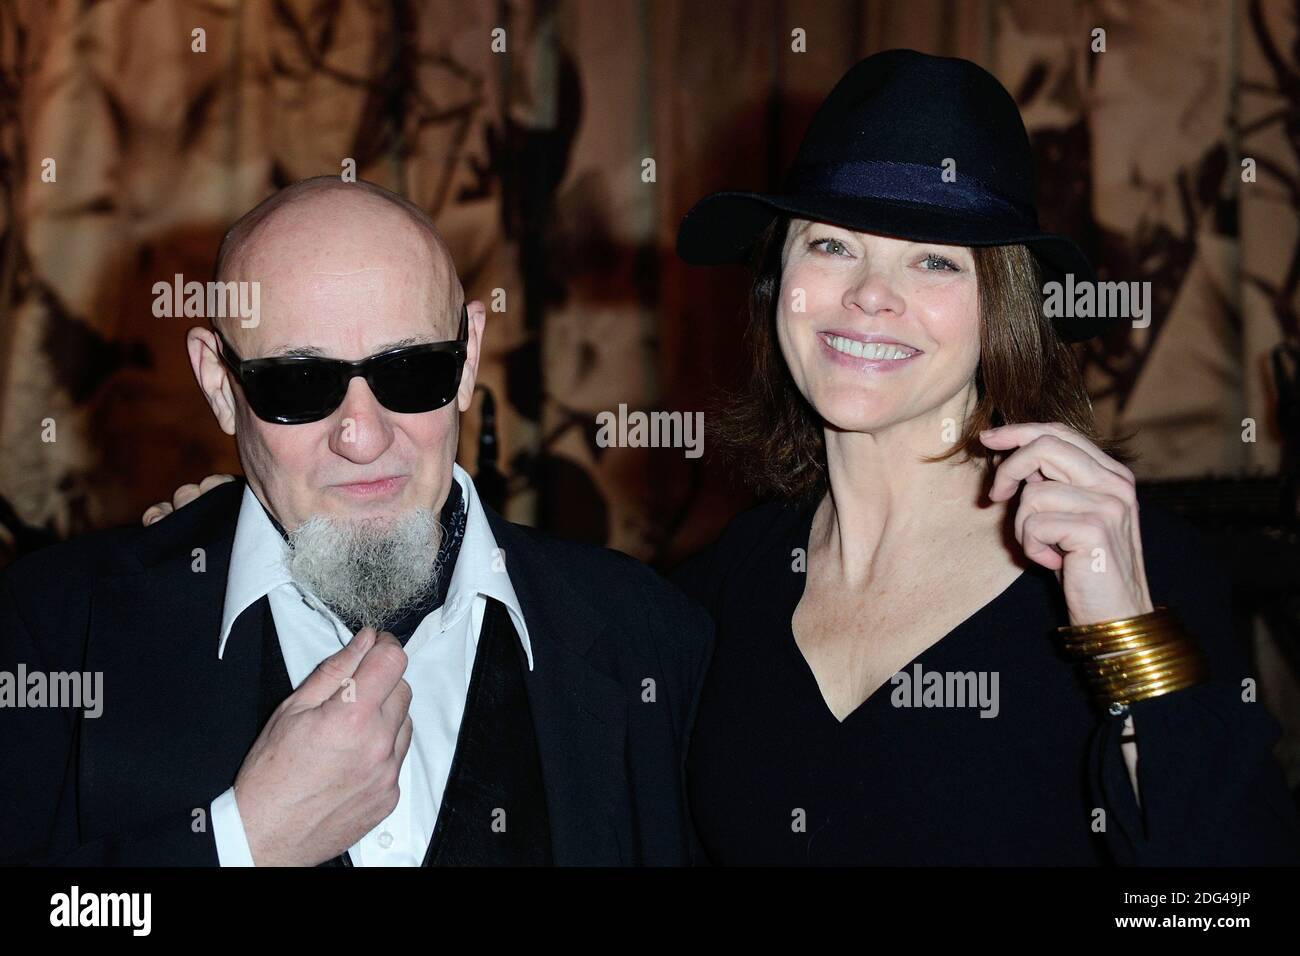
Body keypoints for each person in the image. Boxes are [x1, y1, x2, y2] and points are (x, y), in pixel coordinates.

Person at [668, 49, 1300, 865]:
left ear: (1004, 311)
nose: (870, 293)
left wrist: (1126, 640)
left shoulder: (1124, 573)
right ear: (776, 277)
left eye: (934, 259)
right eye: (831, 245)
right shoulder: (710, 598)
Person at [0, 177, 712, 866]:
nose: (363, 436)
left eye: (410, 372)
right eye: (299, 383)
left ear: (466, 361)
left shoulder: (650, 636)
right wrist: (241, 844)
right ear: (219, 385)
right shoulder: (57, 633)